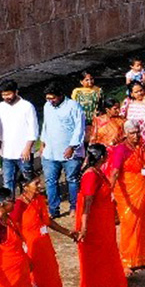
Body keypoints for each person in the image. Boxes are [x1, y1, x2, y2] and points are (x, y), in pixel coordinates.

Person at [13, 168, 73, 287]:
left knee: (52, 282)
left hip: (45, 248)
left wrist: (68, 233)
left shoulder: (39, 199)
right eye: (36, 183)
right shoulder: (19, 205)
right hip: (31, 249)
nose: (40, 185)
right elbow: (14, 229)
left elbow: (48, 222)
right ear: (25, 186)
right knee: (37, 286)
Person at [72, 144, 128, 287]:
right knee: (97, 258)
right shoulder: (90, 176)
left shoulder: (97, 172)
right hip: (94, 225)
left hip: (103, 224)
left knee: (107, 255)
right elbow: (87, 203)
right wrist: (84, 227)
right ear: (101, 157)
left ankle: (110, 286)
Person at [110, 120, 145, 275]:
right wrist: (110, 191)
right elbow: (114, 172)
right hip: (128, 193)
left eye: (138, 132)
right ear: (126, 134)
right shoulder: (121, 150)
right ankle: (128, 259)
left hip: (143, 192)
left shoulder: (140, 147)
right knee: (130, 226)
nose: (136, 135)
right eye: (132, 133)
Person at [40, 83, 85, 218]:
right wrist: (42, 143)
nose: (50, 101)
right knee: (50, 181)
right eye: (48, 98)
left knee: (72, 180)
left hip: (70, 153)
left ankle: (74, 207)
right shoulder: (47, 106)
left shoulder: (73, 106)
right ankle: (53, 210)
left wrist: (72, 147)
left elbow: (79, 128)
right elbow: (45, 125)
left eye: (52, 98)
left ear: (60, 95)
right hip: (50, 152)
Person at [0, 80, 37, 194]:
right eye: (3, 95)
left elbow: (33, 130)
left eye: (9, 94)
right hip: (6, 153)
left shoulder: (27, 106)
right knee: (8, 181)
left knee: (27, 182)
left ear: (16, 92)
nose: (6, 97)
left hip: (24, 153)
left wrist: (27, 148)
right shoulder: (0, 107)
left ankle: (29, 206)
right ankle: (11, 207)